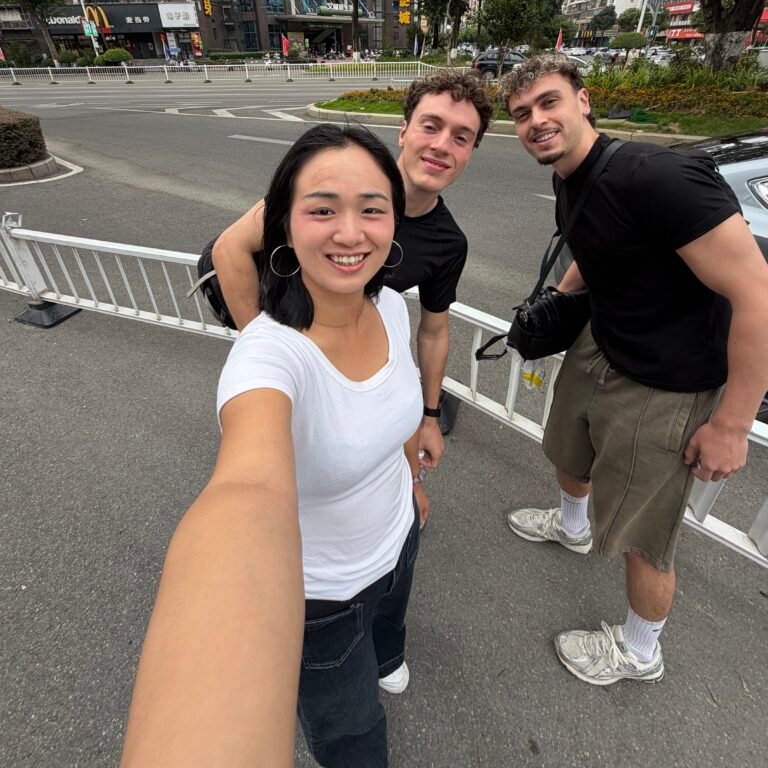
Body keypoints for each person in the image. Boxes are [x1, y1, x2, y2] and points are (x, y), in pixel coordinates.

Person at [120, 124, 426, 768]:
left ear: (394, 222)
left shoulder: (392, 306)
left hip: (399, 540)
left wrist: (413, 488)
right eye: (323, 210)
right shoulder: (269, 354)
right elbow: (247, 488)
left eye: (372, 209)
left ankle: (388, 655)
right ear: (283, 225)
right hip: (325, 599)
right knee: (354, 737)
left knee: (386, 635)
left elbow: (394, 418)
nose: (351, 233)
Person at [499, 55, 768, 686]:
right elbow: (595, 250)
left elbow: (756, 293)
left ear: (583, 100)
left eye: (548, 102)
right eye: (521, 113)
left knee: (644, 529)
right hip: (604, 342)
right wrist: (558, 302)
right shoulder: (569, 177)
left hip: (668, 379)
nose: (536, 121)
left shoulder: (659, 178)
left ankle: (641, 650)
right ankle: (571, 527)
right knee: (567, 446)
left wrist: (732, 425)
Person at [209, 71, 495, 469]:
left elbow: (434, 331)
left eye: (461, 138)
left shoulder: (447, 245)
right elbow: (229, 249)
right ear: (404, 131)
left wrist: (429, 416)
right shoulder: (346, 175)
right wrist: (265, 347)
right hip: (286, 326)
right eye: (430, 126)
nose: (441, 145)